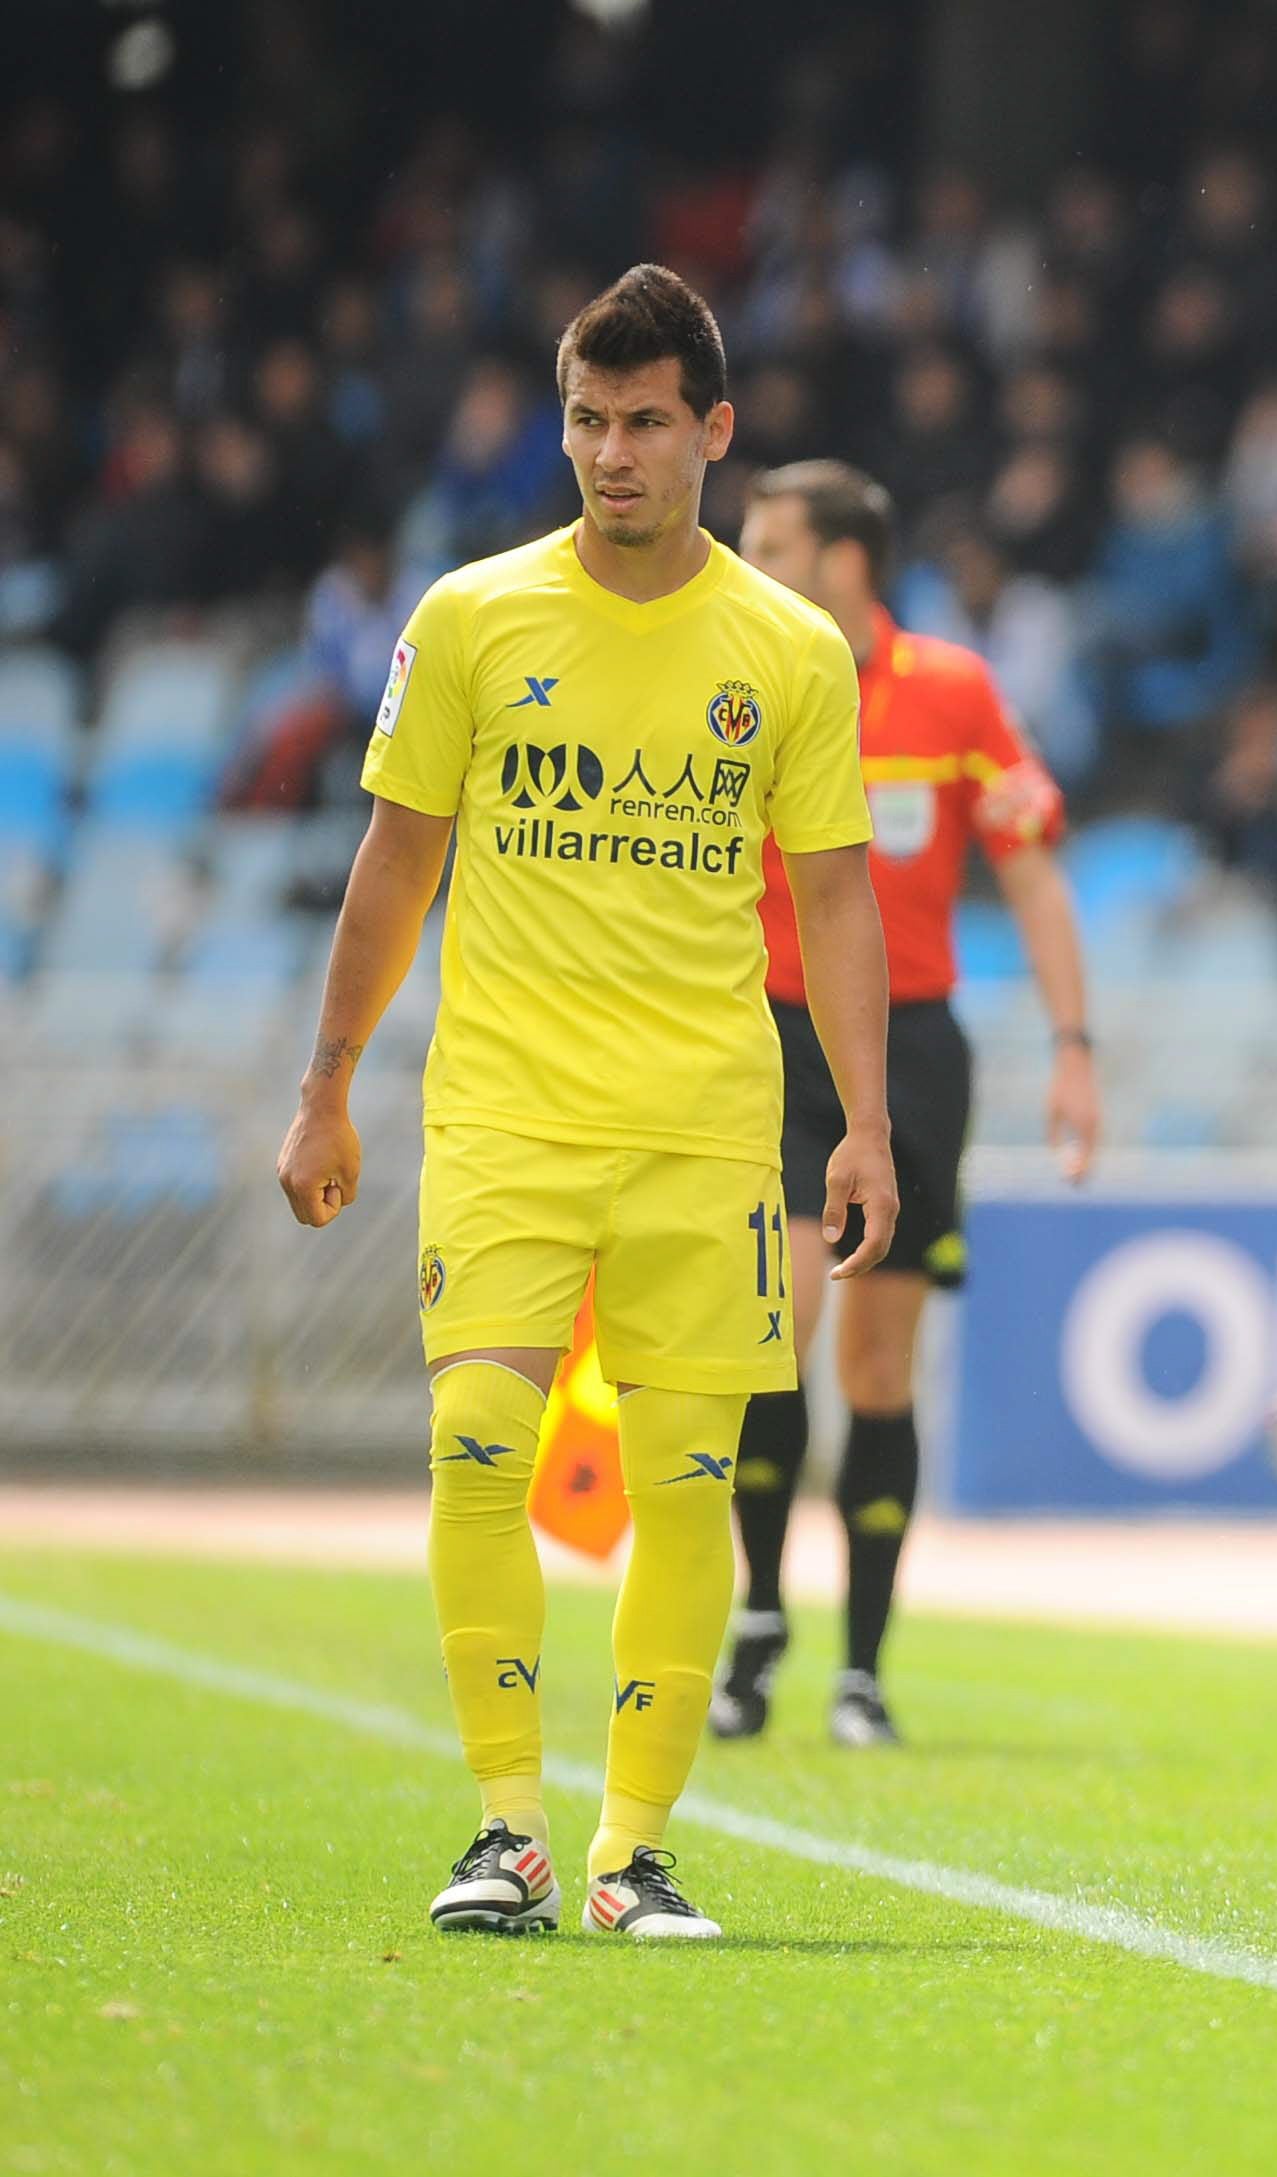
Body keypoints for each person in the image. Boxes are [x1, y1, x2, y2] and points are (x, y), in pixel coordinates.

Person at [274, 265, 890, 1943]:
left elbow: (835, 894)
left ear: (715, 432)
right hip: (508, 1116)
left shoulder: (792, 651)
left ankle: (630, 1851)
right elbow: (396, 863)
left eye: (642, 423)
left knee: (690, 1484)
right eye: (586, 421)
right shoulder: (470, 619)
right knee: (479, 1442)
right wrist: (326, 1089)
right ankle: (504, 1829)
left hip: (706, 1126)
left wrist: (864, 1121)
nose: (610, 453)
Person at [709, 458, 1101, 1750]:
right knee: (777, 1326)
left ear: (846, 560)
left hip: (915, 1050)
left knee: (880, 1364)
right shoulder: (736, 676)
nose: (746, 560)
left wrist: (1073, 1044)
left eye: (769, 541)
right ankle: (759, 1615)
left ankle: (863, 1668)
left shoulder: (953, 692)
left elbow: (1032, 869)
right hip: (768, 1038)